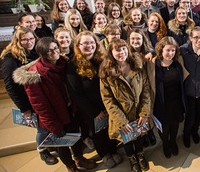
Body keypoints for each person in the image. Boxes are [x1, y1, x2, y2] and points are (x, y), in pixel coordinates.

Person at [13, 37, 97, 171]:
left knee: (75, 136)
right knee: (62, 143)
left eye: (56, 48)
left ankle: (79, 158)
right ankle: (70, 166)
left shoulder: (64, 63)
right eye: (49, 51)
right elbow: (39, 104)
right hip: (55, 115)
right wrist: (53, 125)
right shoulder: (35, 73)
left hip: (71, 109)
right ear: (42, 53)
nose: (54, 52)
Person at [66, 32, 122, 169]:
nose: (89, 46)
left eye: (92, 42)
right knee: (98, 134)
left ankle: (113, 150)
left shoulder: (102, 59)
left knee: (111, 129)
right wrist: (95, 112)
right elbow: (76, 94)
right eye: (85, 43)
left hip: (108, 104)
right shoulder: (73, 66)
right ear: (78, 46)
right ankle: (105, 155)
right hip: (91, 109)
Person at [0, 27, 55, 165]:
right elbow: (11, 87)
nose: (29, 42)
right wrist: (24, 109)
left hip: (42, 95)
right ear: (17, 41)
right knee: (41, 128)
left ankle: (52, 144)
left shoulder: (34, 52)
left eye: (31, 38)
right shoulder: (10, 59)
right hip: (29, 99)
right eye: (24, 39)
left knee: (47, 123)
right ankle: (42, 150)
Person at [99, 39, 150, 172]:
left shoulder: (137, 66)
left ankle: (140, 154)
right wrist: (121, 121)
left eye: (123, 49)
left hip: (138, 110)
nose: (121, 52)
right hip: (122, 114)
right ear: (111, 52)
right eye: (117, 50)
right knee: (127, 139)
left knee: (139, 135)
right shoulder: (106, 72)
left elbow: (146, 90)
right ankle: (132, 158)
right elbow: (108, 99)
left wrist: (144, 112)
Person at [147, 37, 187, 158]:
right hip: (161, 103)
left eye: (173, 50)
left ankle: (173, 142)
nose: (170, 53)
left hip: (177, 101)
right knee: (163, 127)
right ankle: (165, 144)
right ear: (161, 50)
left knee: (175, 124)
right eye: (167, 50)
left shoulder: (178, 61)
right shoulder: (153, 63)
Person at [180, 26, 200, 148]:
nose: (199, 40)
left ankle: (194, 131)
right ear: (190, 38)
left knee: (199, 114)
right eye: (196, 37)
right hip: (189, 90)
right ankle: (186, 133)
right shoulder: (183, 50)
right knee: (190, 115)